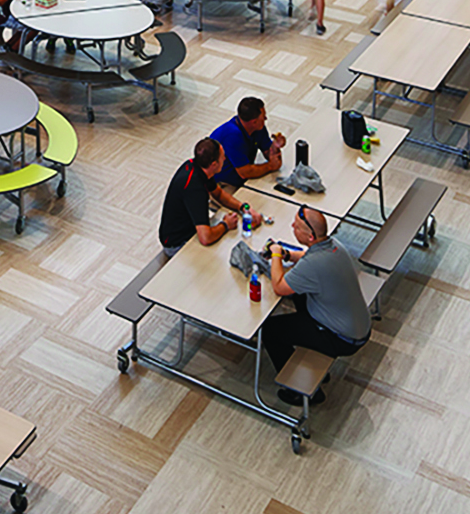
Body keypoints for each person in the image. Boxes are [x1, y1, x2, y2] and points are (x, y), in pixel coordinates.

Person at [263, 206, 372, 404]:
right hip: (358, 323)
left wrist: (276, 255)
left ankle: (300, 390)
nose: (292, 226)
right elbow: (306, 256)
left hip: (343, 338)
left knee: (269, 330)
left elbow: (279, 286)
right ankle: (310, 357)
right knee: (299, 292)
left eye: (296, 226)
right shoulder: (334, 245)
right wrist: (288, 254)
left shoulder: (315, 265)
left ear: (310, 236)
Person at [158, 138, 244, 255]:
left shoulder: (199, 167)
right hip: (177, 242)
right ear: (214, 164)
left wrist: (242, 207)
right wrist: (226, 225)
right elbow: (205, 238)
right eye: (222, 157)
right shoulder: (195, 189)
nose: (225, 159)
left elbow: (218, 194)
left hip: (192, 228)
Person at [210, 96, 286, 181]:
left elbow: (268, 152)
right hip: (220, 182)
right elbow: (245, 172)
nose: (265, 119)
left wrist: (275, 147)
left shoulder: (258, 128)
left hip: (240, 176)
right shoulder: (232, 136)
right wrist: (269, 166)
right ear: (254, 122)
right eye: (263, 117)